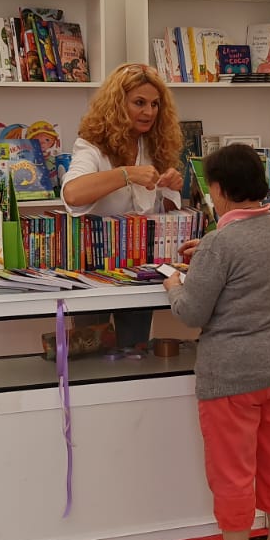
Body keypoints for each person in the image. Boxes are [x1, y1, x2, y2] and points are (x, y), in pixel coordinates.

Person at [164, 144, 270, 540]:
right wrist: (207, 256)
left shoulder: (220, 243)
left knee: (232, 472)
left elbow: (191, 313)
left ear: (218, 189)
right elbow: (254, 271)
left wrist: (174, 283)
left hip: (234, 375)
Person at [63, 63, 183, 349]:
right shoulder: (91, 145)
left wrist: (172, 186)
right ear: (118, 104)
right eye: (139, 103)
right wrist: (126, 174)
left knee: (135, 351)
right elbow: (73, 194)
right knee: (91, 352)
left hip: (141, 265)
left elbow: (162, 211)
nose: (149, 112)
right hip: (94, 266)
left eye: (155, 104)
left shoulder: (155, 146)